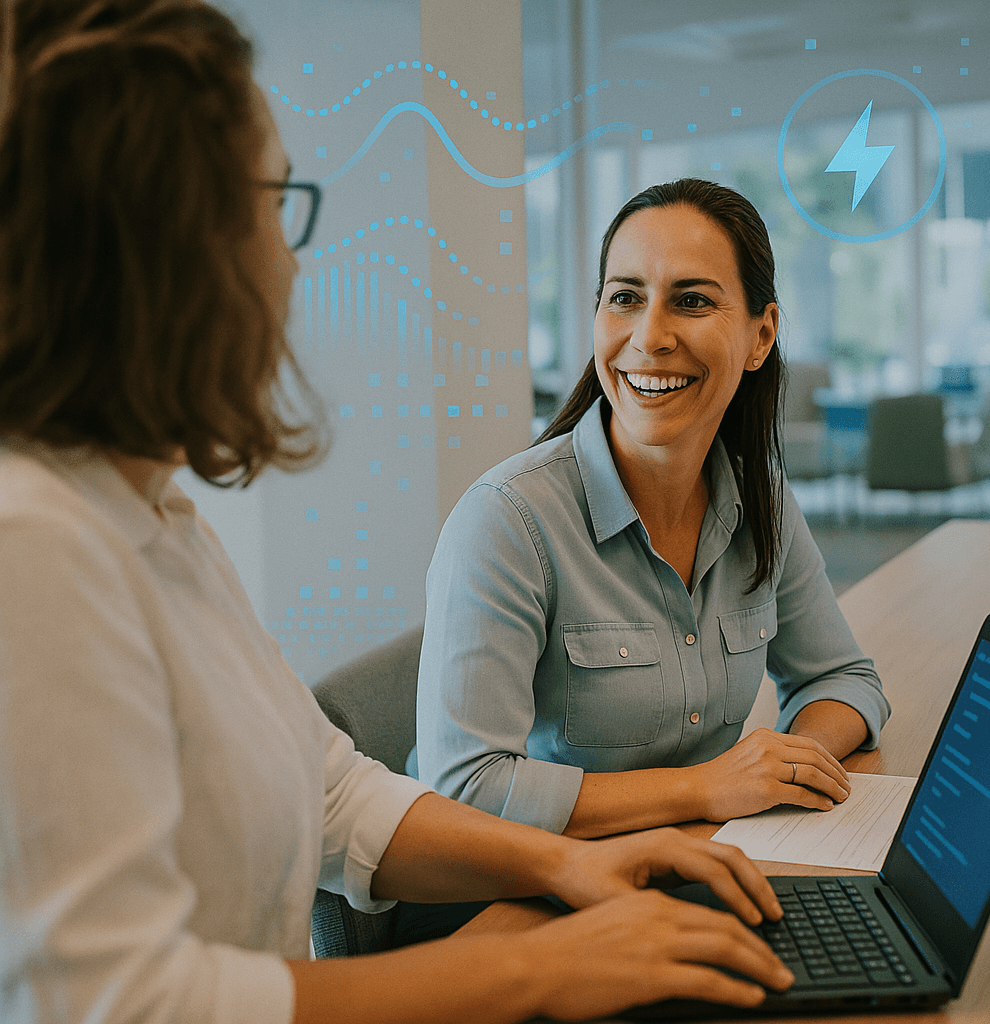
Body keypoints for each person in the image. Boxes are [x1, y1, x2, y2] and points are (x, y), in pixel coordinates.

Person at [0, 3, 798, 1023]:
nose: (291, 261)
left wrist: (569, 868)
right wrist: (542, 966)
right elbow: (121, 1002)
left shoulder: (155, 519)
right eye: (273, 200)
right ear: (168, 242)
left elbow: (332, 795)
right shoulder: (34, 544)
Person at [415, 178, 891, 839]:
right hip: (521, 889)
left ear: (761, 336)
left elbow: (843, 680)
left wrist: (785, 762)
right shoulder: (507, 520)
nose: (649, 336)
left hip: (688, 856)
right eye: (625, 298)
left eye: (691, 301)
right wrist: (706, 788)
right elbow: (465, 791)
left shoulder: (760, 498)